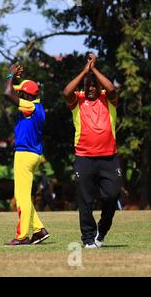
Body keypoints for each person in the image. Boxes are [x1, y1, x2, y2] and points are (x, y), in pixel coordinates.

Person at [63, 53, 121, 249]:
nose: (91, 89)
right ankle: (88, 238)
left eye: (94, 85)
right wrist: (84, 72)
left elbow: (112, 88)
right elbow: (66, 92)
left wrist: (94, 69)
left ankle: (102, 231)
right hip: (84, 158)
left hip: (109, 158)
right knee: (85, 201)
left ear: (99, 87)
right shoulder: (77, 100)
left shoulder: (108, 98)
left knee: (112, 196)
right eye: (88, 86)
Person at [3, 62, 50, 246]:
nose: (19, 94)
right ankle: (39, 230)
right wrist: (15, 78)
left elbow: (7, 93)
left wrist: (10, 75)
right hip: (34, 154)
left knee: (22, 197)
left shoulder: (29, 107)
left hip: (24, 155)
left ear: (29, 95)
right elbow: (12, 90)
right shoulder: (38, 106)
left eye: (22, 93)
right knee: (22, 194)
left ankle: (22, 237)